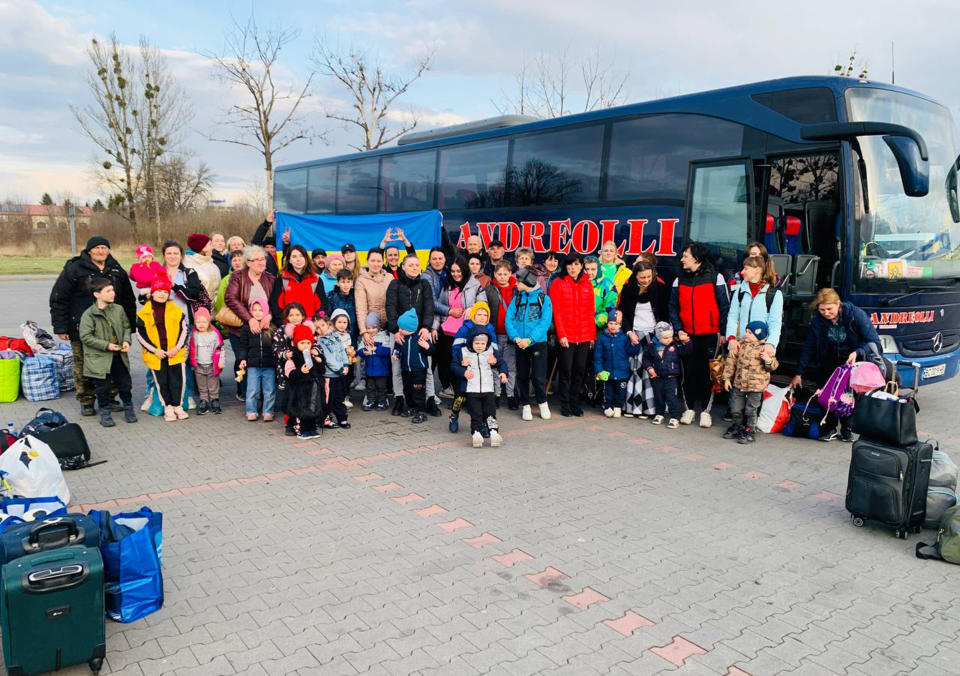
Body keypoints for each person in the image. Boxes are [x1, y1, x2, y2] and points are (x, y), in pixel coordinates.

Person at [50, 235, 137, 416]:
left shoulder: (116, 269)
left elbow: (128, 298)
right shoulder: (74, 269)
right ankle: (86, 400)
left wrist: (130, 325)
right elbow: (59, 298)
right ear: (89, 250)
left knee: (113, 364)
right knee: (84, 365)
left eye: (104, 248)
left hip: (112, 327)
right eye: (96, 248)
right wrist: (61, 327)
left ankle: (110, 398)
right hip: (82, 326)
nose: (100, 251)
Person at [791, 288, 881, 442]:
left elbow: (874, 342)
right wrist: (799, 373)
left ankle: (847, 429)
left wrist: (858, 352)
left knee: (848, 396)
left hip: (851, 360)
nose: (826, 313)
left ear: (838, 304)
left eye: (829, 309)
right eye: (822, 310)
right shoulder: (818, 321)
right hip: (828, 360)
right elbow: (809, 346)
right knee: (826, 394)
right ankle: (829, 428)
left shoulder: (855, 315)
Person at [668, 242, 730, 428]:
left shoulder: (715, 277)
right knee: (688, 373)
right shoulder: (679, 280)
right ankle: (689, 409)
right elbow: (672, 308)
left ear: (697, 257)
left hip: (710, 335)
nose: (682, 259)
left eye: (685, 255)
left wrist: (723, 332)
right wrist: (679, 329)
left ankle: (705, 411)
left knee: (708, 374)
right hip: (687, 336)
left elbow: (725, 306)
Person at [78, 278, 136, 427]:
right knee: (102, 387)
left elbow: (126, 327)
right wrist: (106, 345)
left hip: (118, 355)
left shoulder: (118, 309)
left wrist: (126, 341)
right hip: (99, 358)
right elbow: (85, 336)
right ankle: (105, 413)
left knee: (124, 384)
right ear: (97, 294)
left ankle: (129, 408)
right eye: (108, 291)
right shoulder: (89, 314)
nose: (113, 293)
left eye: (113, 290)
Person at [385, 254, 438, 416]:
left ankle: (429, 398)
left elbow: (429, 307)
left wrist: (426, 327)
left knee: (426, 367)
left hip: (420, 332)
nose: (414, 268)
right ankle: (400, 398)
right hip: (399, 333)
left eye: (417, 265)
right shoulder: (395, 284)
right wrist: (395, 330)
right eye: (410, 265)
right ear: (403, 267)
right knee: (397, 368)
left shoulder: (425, 284)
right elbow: (390, 307)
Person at [225, 245, 280, 400]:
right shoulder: (238, 277)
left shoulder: (270, 278)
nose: (261, 263)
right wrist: (249, 319)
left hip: (265, 329)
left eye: (263, 259)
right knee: (243, 360)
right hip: (240, 329)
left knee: (263, 361)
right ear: (248, 262)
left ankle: (263, 396)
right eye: (257, 260)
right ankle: (246, 395)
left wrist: (268, 315)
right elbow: (231, 298)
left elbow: (274, 301)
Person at [618, 259, 670, 418]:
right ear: (635, 276)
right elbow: (624, 315)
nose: (646, 280)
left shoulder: (661, 288)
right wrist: (629, 333)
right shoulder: (627, 289)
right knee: (634, 371)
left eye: (649, 276)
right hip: (635, 335)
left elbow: (665, 313)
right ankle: (633, 407)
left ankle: (650, 409)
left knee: (651, 372)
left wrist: (662, 336)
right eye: (642, 277)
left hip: (654, 336)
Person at [136, 276, 189, 422]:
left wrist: (177, 348)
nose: (162, 294)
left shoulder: (176, 310)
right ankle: (168, 407)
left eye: (165, 292)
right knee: (161, 381)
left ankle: (178, 406)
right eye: (158, 291)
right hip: (157, 353)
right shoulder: (144, 313)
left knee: (177, 380)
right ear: (152, 293)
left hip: (174, 352)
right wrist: (155, 350)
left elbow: (184, 330)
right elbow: (141, 335)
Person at [549, 252, 596, 417]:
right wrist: (561, 335)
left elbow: (591, 311)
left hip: (584, 335)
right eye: (570, 264)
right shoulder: (558, 283)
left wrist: (591, 335)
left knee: (579, 371)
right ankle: (565, 403)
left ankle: (575, 402)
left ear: (581, 266)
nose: (573, 268)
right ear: (565, 266)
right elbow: (557, 312)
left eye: (576, 264)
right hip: (567, 336)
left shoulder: (587, 284)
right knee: (566, 371)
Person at [505, 266, 553, 421]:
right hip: (520, 343)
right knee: (522, 375)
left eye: (519, 281)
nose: (516, 283)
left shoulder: (544, 299)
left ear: (528, 281)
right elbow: (509, 319)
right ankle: (525, 405)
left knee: (538, 376)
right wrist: (516, 338)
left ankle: (542, 402)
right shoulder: (517, 298)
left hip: (538, 344)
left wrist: (530, 339)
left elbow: (545, 322)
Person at [723, 320, 778, 444]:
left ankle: (749, 430)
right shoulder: (739, 346)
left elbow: (772, 367)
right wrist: (726, 378)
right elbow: (730, 363)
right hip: (739, 384)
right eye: (746, 331)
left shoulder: (765, 349)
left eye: (750, 333)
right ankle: (737, 426)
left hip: (756, 386)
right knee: (735, 408)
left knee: (751, 410)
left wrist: (768, 360)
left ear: (759, 336)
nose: (746, 334)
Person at [454, 324, 508, 447]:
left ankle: (494, 432)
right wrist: (463, 371)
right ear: (471, 342)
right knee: (476, 413)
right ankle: (476, 433)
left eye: (483, 344)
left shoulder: (491, 352)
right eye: (477, 343)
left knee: (490, 413)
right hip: (472, 390)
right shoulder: (463, 352)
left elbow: (502, 363)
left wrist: (503, 373)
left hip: (488, 389)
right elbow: (453, 366)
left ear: (487, 343)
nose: (480, 346)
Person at [433, 257, 481, 394]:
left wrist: (473, 308)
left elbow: (483, 306)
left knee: (463, 363)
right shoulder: (447, 286)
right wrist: (434, 327)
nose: (455, 274)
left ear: (465, 270)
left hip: (465, 332)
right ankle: (448, 389)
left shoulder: (475, 285)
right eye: (453, 271)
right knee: (445, 362)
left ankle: (463, 393)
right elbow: (438, 309)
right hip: (446, 332)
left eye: (458, 271)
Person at [450, 302, 497, 433]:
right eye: (479, 314)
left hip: (481, 373)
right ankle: (454, 416)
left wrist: (494, 361)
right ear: (473, 315)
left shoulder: (490, 330)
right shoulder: (465, 329)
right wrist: (461, 362)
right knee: (461, 397)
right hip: (467, 371)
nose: (482, 317)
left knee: (482, 401)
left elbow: (494, 351)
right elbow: (455, 348)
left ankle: (482, 425)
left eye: (485, 315)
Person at [726, 255, 784, 358]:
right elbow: (733, 317)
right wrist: (731, 339)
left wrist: (771, 344)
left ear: (757, 270)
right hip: (740, 347)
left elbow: (775, 322)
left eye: (746, 268)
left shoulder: (774, 294)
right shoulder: (740, 292)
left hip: (760, 350)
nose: (742, 272)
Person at [273, 302, 313, 436]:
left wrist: (315, 352)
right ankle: (289, 424)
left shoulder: (308, 328)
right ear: (287, 317)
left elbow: (315, 343)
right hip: (288, 370)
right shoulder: (282, 331)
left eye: (298, 314)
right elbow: (275, 348)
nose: (295, 318)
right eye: (291, 315)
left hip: (306, 370)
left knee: (304, 397)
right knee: (290, 397)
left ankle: (304, 422)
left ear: (303, 316)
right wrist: (285, 354)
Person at [641, 322, 691, 428]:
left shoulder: (675, 345)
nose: (669, 339)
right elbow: (645, 358)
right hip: (657, 377)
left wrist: (686, 341)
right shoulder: (651, 346)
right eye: (666, 338)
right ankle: (660, 414)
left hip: (671, 377)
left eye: (671, 337)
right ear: (658, 337)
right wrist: (650, 368)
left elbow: (686, 352)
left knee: (671, 397)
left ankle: (674, 417)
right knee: (658, 397)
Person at [593, 313, 643, 417]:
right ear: (607, 324)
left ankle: (618, 407)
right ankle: (607, 407)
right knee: (608, 392)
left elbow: (630, 351)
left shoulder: (624, 338)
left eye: (616, 324)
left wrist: (635, 345)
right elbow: (598, 356)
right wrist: (599, 370)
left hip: (622, 371)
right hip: (607, 372)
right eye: (611, 323)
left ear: (620, 325)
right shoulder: (602, 339)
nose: (613, 326)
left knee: (621, 392)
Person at [237, 299, 276, 422]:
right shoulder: (246, 328)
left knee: (269, 389)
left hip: (269, 364)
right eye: (255, 310)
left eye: (261, 310)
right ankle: (251, 411)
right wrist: (243, 359)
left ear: (266, 311)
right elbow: (243, 346)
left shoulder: (271, 327)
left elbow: (276, 346)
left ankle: (268, 411)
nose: (258, 312)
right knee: (252, 389)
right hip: (253, 365)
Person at [284, 324, 325, 440]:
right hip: (299, 391)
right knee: (301, 411)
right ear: (296, 344)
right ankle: (302, 429)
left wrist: (320, 361)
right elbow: (289, 374)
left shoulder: (313, 355)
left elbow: (322, 371)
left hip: (312, 388)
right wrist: (300, 371)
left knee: (312, 409)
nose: (306, 346)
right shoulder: (293, 358)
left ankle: (312, 428)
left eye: (308, 343)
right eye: (302, 343)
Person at [392, 308, 433, 424]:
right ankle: (411, 407)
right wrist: (396, 354)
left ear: (410, 329)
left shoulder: (420, 337)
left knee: (418, 391)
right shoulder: (401, 337)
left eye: (402, 328)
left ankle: (421, 411)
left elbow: (431, 351)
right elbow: (397, 347)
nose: (399, 330)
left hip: (419, 370)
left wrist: (427, 347)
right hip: (406, 369)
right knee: (408, 390)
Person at [488, 260, 518, 409]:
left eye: (505, 274)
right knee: (494, 365)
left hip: (511, 335)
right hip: (494, 333)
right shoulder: (490, 290)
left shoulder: (517, 290)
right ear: (494, 274)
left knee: (510, 366)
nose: (502, 277)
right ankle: (496, 394)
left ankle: (511, 394)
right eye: (499, 274)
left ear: (510, 274)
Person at [356, 248, 393, 364]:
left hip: (389, 326)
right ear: (367, 261)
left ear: (383, 262)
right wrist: (364, 332)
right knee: (372, 360)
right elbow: (361, 308)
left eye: (378, 261)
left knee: (389, 358)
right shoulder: (361, 280)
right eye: (372, 261)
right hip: (371, 329)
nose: (376, 264)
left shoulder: (389, 278)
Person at [275, 244, 327, 321]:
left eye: (301, 256)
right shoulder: (282, 279)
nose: (298, 259)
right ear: (289, 260)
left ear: (306, 258)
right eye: (294, 257)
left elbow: (322, 305)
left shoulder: (316, 280)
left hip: (310, 326)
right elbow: (276, 306)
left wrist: (315, 323)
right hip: (289, 325)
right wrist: (284, 324)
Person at [189, 308, 225, 416]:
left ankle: (214, 400)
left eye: (204, 322)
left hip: (212, 365)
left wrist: (221, 361)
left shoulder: (214, 334)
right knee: (202, 385)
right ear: (195, 322)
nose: (201, 324)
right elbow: (190, 349)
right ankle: (203, 401)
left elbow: (220, 349)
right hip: (199, 365)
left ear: (209, 322)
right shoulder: (194, 335)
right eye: (198, 322)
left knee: (213, 384)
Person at [320, 309, 352, 427]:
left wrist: (345, 365)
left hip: (340, 373)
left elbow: (343, 351)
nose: (321, 329)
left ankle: (342, 418)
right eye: (318, 327)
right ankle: (324, 419)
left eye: (323, 325)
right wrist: (339, 368)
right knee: (328, 399)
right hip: (329, 375)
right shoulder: (321, 341)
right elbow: (328, 358)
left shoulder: (335, 337)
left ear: (329, 324)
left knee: (339, 398)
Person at [160, 241, 205, 324]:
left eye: (176, 253)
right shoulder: (157, 273)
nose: (172, 256)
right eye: (169, 253)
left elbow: (194, 295)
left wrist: (174, 286)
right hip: (161, 322)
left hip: (184, 322)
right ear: (164, 256)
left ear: (181, 256)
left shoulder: (190, 273)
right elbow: (143, 299)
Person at [359, 312, 391, 411]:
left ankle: (382, 401)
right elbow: (359, 350)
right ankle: (371, 401)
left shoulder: (384, 337)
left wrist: (376, 349)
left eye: (373, 327)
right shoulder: (365, 338)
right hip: (369, 369)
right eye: (368, 328)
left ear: (378, 327)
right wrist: (364, 352)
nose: (371, 330)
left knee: (381, 387)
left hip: (381, 369)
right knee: (370, 387)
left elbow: (388, 351)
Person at [184, 233, 222, 300]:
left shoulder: (211, 262)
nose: (212, 247)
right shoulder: (188, 265)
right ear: (202, 247)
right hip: (199, 307)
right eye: (210, 244)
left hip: (214, 307)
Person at [584, 256, 618, 328]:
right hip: (578, 329)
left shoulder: (608, 285)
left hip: (598, 329)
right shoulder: (578, 282)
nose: (589, 272)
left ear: (598, 269)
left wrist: (595, 323)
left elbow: (610, 309)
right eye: (587, 269)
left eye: (593, 269)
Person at [327, 269, 358, 346]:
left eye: (348, 282)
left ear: (352, 283)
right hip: (337, 332)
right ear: (338, 283)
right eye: (343, 282)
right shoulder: (332, 296)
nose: (346, 285)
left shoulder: (355, 295)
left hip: (353, 331)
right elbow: (329, 314)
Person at [251, 211, 280, 276]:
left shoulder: (282, 257)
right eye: (267, 247)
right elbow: (255, 242)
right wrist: (266, 223)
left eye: (272, 247)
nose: (269, 250)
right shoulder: (262, 258)